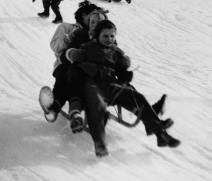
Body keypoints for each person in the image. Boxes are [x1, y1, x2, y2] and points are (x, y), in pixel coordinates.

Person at [66, 19, 180, 157]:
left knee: (138, 98)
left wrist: (125, 75)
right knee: (97, 104)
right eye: (105, 36)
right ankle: (99, 142)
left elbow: (120, 74)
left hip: (111, 87)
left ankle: (161, 135)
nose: (109, 39)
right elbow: (73, 59)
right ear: (97, 36)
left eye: (112, 36)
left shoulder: (117, 53)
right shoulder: (88, 47)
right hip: (92, 85)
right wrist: (75, 55)